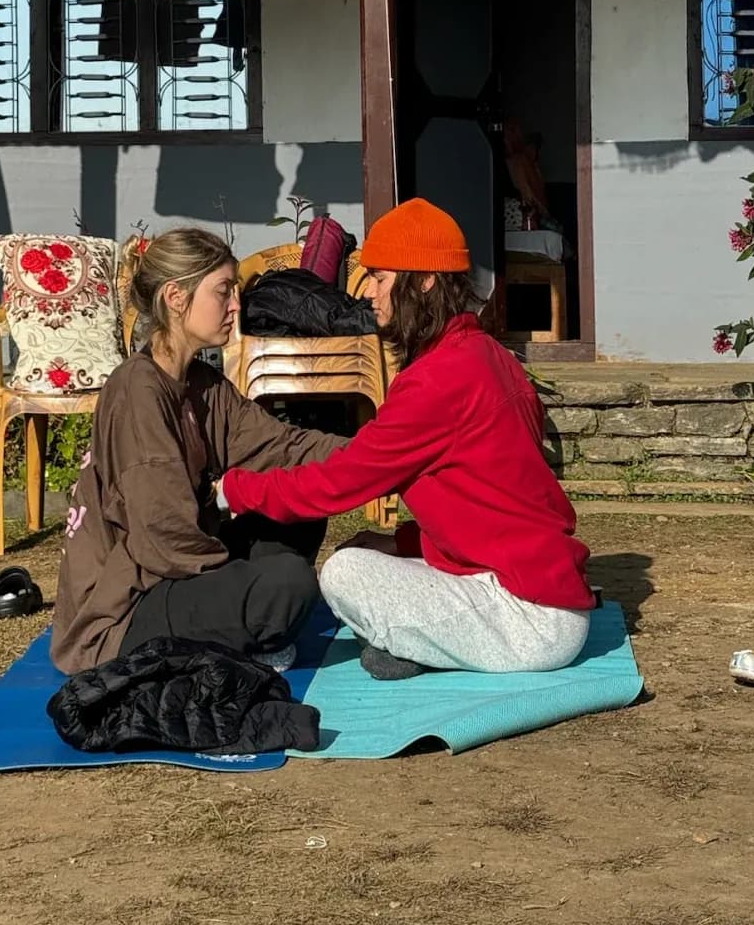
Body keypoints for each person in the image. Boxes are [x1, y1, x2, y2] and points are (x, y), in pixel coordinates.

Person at [218, 198, 595, 681]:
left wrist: (234, 490)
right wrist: (402, 541)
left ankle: (411, 645)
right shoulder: (488, 355)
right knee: (369, 554)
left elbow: (339, 482)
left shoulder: (439, 380)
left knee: (344, 573)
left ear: (424, 281)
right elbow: (491, 501)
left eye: (380, 278)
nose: (368, 293)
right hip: (532, 592)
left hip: (529, 617)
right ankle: (413, 645)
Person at [50, 227, 346, 677]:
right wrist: (239, 582)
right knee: (288, 584)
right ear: (176, 297)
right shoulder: (138, 390)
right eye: (224, 291)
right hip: (127, 606)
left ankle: (244, 627)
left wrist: (384, 453)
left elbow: (283, 447)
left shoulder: (202, 386)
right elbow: (164, 537)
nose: (236, 306)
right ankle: (245, 631)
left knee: (300, 501)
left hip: (181, 565)